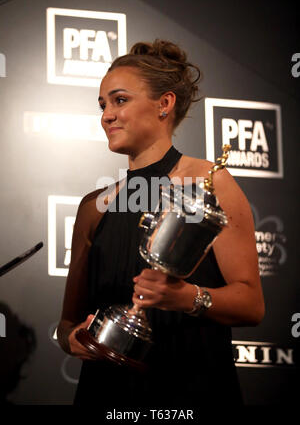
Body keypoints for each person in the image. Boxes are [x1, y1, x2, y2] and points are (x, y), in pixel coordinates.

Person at [57, 39, 265, 407]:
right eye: (103, 104)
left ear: (164, 104)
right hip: (107, 393)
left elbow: (251, 304)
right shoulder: (94, 207)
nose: (106, 115)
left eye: (120, 100)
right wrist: (74, 339)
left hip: (192, 388)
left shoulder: (209, 183)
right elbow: (66, 324)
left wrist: (185, 298)